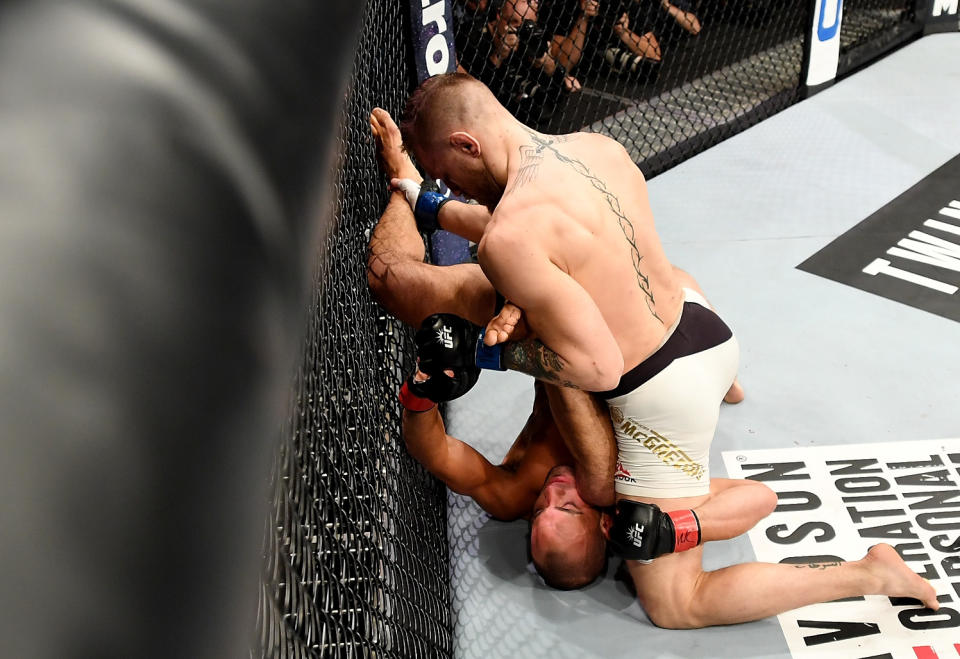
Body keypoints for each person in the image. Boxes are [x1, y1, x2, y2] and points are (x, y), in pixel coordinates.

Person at [368, 105, 941, 619]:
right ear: (604, 525)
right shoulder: (595, 147)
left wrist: (435, 377)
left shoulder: (518, 489)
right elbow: (760, 498)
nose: (554, 494)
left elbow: (444, 446)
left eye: (545, 504)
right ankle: (866, 572)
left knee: (395, 281)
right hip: (675, 338)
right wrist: (676, 528)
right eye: (565, 509)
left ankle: (412, 195)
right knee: (672, 602)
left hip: (669, 346)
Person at [455, 0, 581, 129]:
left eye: (527, 24)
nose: (520, 31)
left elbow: (558, 89)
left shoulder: (532, 36)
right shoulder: (471, 37)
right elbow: (472, 96)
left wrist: (548, 65)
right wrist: (497, 57)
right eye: (514, 23)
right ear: (499, 15)